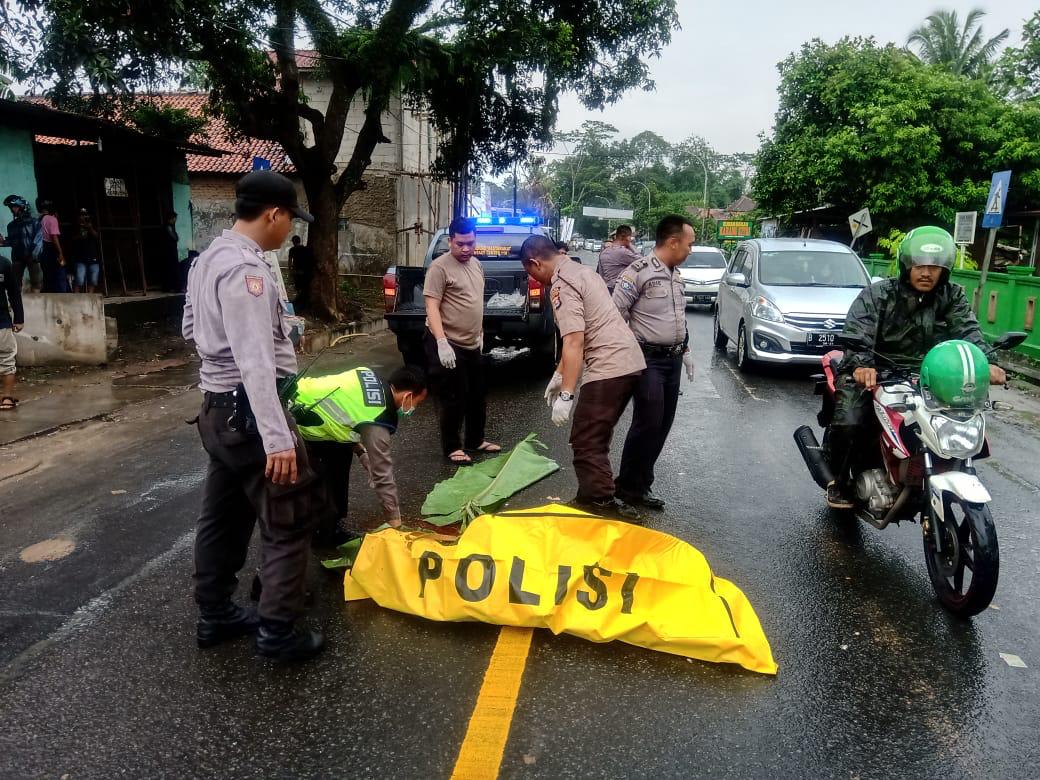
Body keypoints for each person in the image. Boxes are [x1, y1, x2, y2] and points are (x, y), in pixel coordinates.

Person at [182, 170, 329, 663]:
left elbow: (189, 325)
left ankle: (216, 614)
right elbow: (254, 363)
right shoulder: (245, 272)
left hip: (216, 410)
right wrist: (279, 439)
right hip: (248, 411)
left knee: (223, 516)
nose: (290, 231)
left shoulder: (207, 259)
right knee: (290, 516)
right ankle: (278, 631)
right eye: (290, 220)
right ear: (274, 214)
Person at [825, 225, 1006, 509]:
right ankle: (840, 479)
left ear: (944, 270)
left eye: (934, 267)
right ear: (906, 265)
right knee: (849, 421)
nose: (926, 273)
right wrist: (862, 365)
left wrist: (988, 362)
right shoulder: (879, 295)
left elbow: (968, 332)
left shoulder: (952, 296)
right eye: (919, 266)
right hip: (878, 370)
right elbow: (858, 333)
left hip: (931, 375)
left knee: (957, 420)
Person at [520, 234, 645, 520]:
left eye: (530, 273)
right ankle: (591, 495)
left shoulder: (562, 285)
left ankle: (601, 503)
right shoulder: (582, 271)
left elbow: (575, 340)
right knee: (594, 435)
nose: (535, 279)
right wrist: (558, 373)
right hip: (627, 361)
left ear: (534, 263)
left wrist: (567, 394)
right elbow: (581, 334)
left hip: (609, 365)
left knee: (586, 438)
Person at [611, 215, 698, 511]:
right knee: (647, 423)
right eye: (689, 244)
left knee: (662, 424)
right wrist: (628, 350)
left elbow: (678, 317)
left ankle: (641, 485)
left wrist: (685, 349)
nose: (691, 250)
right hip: (646, 359)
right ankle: (624, 487)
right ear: (673, 242)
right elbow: (615, 314)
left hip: (672, 359)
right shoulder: (637, 272)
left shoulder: (676, 274)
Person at [292, 365, 428, 545]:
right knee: (324, 484)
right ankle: (321, 535)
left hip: (304, 400)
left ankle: (332, 524)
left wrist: (362, 453)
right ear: (408, 396)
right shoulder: (377, 419)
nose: (414, 409)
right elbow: (383, 475)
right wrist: (395, 524)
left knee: (339, 465)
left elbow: (344, 416)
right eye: (417, 403)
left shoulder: (370, 376)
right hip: (298, 420)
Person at [423, 216, 500, 464]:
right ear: (450, 241)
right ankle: (452, 447)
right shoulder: (439, 267)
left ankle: (475, 440)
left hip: (471, 342)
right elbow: (432, 306)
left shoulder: (476, 264)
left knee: (477, 394)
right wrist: (442, 342)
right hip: (448, 343)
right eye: (460, 244)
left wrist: (480, 332)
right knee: (453, 396)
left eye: (470, 243)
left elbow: (475, 301)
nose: (466, 249)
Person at [0, 248, 25, 410]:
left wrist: (19, 318)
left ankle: (6, 397)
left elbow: (14, 292)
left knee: (6, 358)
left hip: (1, 321)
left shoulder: (4, 263)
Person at [2, 195, 42, 292]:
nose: (12, 210)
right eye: (11, 208)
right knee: (15, 283)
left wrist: (34, 255)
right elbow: (13, 241)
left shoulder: (34, 222)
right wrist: (3, 242)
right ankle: (18, 304)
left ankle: (35, 304)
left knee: (36, 283)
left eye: (14, 207)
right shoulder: (11, 226)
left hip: (32, 257)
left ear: (22, 207)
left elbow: (38, 240)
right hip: (17, 257)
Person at [596, 224, 641, 293]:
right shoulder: (622, 252)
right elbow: (642, 261)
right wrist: (630, 245)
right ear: (626, 237)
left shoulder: (604, 252)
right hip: (619, 290)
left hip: (606, 290)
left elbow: (600, 274)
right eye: (630, 237)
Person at [36, 199, 69, 293]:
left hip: (42, 251)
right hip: (52, 250)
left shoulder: (37, 220)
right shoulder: (52, 219)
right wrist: (60, 253)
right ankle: (62, 298)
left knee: (47, 276)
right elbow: (54, 237)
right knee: (60, 275)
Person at [72, 209, 101, 293]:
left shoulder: (92, 224)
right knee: (80, 280)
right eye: (81, 215)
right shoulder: (75, 225)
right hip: (80, 257)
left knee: (93, 280)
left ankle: (90, 297)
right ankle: (76, 298)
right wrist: (80, 235)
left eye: (85, 215)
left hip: (93, 257)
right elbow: (72, 239)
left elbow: (97, 236)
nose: (83, 217)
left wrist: (90, 228)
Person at [287, 235, 313, 310]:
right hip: (305, 272)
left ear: (294, 242)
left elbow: (289, 261)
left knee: (298, 287)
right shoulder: (305, 249)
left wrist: (290, 271)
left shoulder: (292, 250)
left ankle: (300, 303)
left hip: (296, 271)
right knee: (304, 287)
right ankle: (302, 302)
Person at [163, 212, 181, 292]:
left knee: (171, 270)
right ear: (172, 218)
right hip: (170, 252)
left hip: (170, 251)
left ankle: (171, 287)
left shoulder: (169, 227)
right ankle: (174, 288)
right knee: (172, 269)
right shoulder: (168, 227)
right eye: (175, 218)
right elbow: (175, 238)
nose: (175, 220)